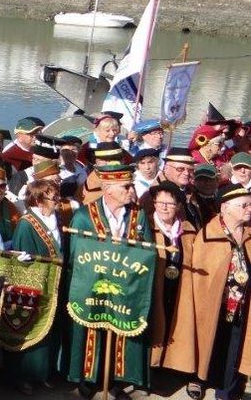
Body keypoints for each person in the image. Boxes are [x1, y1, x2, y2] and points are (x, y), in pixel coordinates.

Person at [67, 164, 152, 395]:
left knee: (121, 329)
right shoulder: (84, 216)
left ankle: (115, 379)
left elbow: (147, 252)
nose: (131, 190)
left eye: (132, 185)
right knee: (92, 330)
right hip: (92, 286)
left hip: (125, 286)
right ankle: (88, 379)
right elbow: (76, 257)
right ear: (108, 189)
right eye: (126, 186)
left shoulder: (138, 214)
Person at [165, 183, 251, 400]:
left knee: (236, 346)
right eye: (244, 205)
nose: (249, 209)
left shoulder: (249, 234)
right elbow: (201, 277)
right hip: (214, 306)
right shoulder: (208, 235)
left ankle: (229, 389)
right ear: (226, 208)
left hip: (242, 305)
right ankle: (200, 379)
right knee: (207, 340)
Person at [5, 179, 67, 393]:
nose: (58, 201)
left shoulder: (56, 218)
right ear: (40, 200)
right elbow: (23, 259)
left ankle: (45, 372)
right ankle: (24, 376)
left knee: (51, 330)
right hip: (35, 286)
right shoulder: (26, 224)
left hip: (55, 285)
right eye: (53, 197)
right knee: (30, 329)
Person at [146, 183, 195, 372]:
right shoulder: (146, 227)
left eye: (170, 203)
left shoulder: (188, 230)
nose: (165, 207)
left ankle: (170, 363)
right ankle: (150, 364)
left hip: (178, 286)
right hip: (154, 287)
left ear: (179, 206)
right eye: (160, 202)